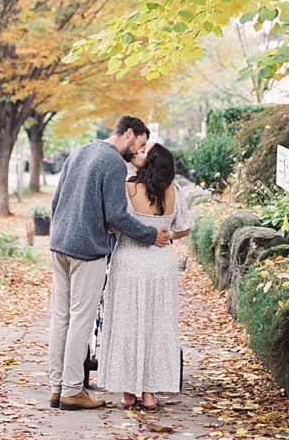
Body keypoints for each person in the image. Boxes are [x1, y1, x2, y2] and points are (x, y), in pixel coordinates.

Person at [48, 116, 171, 411]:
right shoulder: (114, 163)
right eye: (139, 144)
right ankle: (72, 390)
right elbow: (117, 214)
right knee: (81, 319)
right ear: (129, 134)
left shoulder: (79, 150)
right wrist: (150, 234)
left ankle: (56, 387)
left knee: (60, 317)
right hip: (87, 249)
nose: (137, 151)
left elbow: (56, 201)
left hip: (60, 243)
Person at [97, 142, 191, 411]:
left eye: (143, 152)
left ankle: (128, 393)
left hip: (129, 261)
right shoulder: (174, 191)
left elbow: (115, 222)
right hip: (161, 264)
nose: (138, 153)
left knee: (127, 323)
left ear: (149, 163)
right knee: (156, 325)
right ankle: (149, 394)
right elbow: (183, 228)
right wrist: (166, 234)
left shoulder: (130, 188)